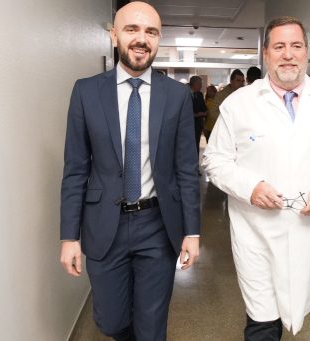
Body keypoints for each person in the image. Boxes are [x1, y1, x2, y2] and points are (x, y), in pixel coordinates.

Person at [202, 16, 310, 340]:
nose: (288, 54)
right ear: (266, 54)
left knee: (293, 310)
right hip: (255, 232)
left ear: (306, 52)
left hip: (305, 228)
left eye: (296, 46)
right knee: (262, 321)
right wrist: (251, 187)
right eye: (279, 46)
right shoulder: (239, 105)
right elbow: (214, 159)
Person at [59, 2, 201, 340]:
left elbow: (185, 168)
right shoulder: (86, 91)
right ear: (114, 35)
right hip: (103, 224)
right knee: (111, 321)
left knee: (151, 327)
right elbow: (76, 169)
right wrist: (69, 236)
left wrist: (192, 232)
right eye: (132, 29)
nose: (141, 39)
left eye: (150, 32)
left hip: (157, 224)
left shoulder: (176, 96)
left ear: (158, 39)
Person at [204, 70, 245, 140]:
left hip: (240, 132)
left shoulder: (244, 94)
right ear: (231, 81)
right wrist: (229, 120)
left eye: (242, 81)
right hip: (223, 132)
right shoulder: (221, 95)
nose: (241, 83)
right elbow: (212, 113)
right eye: (238, 80)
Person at [189, 75, 207, 156]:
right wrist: (196, 114)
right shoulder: (185, 93)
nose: (201, 86)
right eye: (199, 84)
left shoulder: (199, 94)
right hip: (188, 125)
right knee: (188, 146)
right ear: (193, 84)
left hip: (198, 125)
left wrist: (205, 112)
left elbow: (203, 107)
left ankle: (195, 166)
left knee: (196, 145)